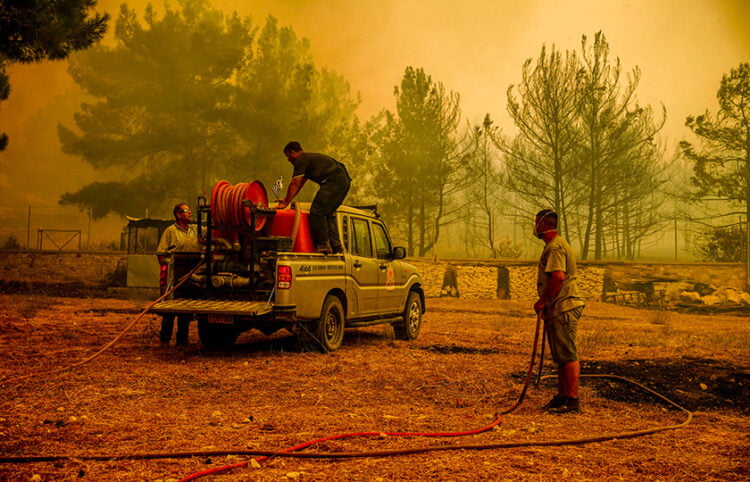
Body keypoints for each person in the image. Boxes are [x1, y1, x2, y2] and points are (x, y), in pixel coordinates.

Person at [533, 209, 585, 414]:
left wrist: (542, 300)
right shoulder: (554, 246)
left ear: (543, 225)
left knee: (568, 354)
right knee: (561, 355)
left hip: (564, 306)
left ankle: (572, 401)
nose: (535, 227)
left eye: (536, 223)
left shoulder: (555, 247)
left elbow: (558, 277)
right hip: (558, 308)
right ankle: (563, 396)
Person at [277, 141, 351, 254]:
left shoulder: (301, 160)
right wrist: (289, 199)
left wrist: (286, 202)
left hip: (334, 181)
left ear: (292, 153)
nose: (288, 160)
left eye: (287, 156)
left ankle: (323, 245)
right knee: (328, 213)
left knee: (317, 212)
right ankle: (336, 245)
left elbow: (295, 183)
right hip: (343, 181)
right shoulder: (309, 160)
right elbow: (300, 183)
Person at [156, 203, 200, 347]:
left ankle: (182, 340)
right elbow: (161, 253)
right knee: (170, 308)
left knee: (186, 309)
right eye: (186, 211)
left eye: (189, 210)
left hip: (191, 272)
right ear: (178, 214)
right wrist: (166, 272)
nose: (189, 213)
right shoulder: (170, 231)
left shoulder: (195, 230)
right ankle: (165, 339)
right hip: (175, 272)